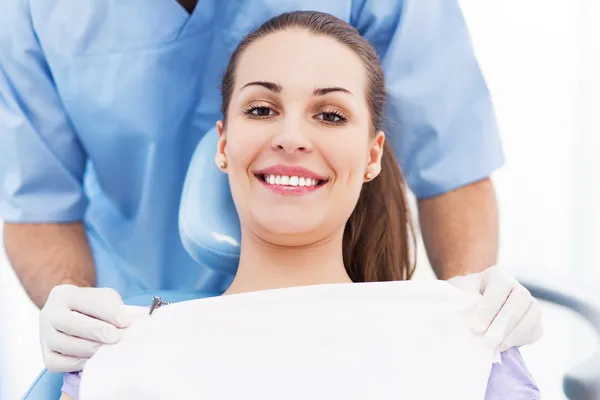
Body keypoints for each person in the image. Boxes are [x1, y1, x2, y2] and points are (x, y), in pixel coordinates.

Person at [0, 0, 542, 375]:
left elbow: (452, 161)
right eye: (260, 109)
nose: (290, 138)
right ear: (222, 144)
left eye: (329, 114)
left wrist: (470, 327)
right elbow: (36, 200)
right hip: (132, 313)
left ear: (373, 154)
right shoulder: (115, 377)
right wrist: (80, 322)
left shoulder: (427, 371)